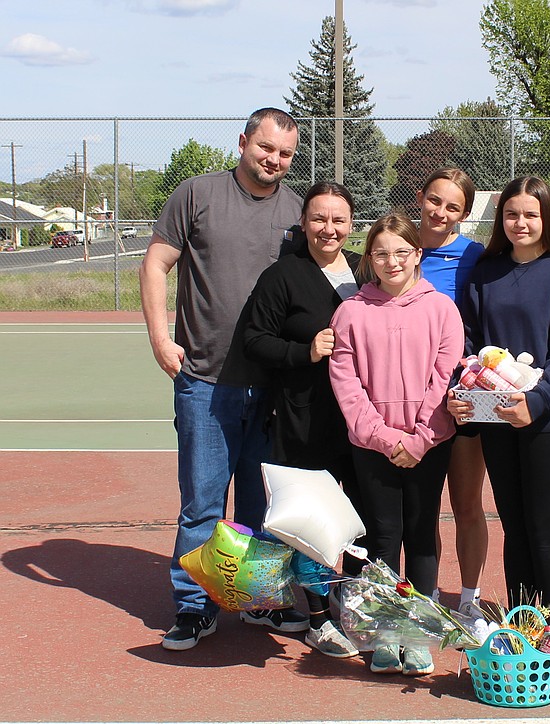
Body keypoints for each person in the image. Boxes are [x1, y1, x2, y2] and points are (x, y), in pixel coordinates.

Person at [139, 107, 309, 651]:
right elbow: (155, 263)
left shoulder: (298, 211)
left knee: (262, 506)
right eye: (265, 148)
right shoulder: (197, 194)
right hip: (206, 382)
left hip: (272, 387)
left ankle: (258, 598)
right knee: (203, 504)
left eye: (285, 153)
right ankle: (194, 607)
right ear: (243, 141)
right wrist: (161, 339)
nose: (274, 160)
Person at [447, 176, 550, 631]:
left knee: (543, 529)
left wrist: (538, 400)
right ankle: (521, 622)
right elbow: (469, 338)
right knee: (513, 525)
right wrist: (465, 387)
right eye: (512, 214)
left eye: (531, 214)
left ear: (548, 218)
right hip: (497, 418)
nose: (521, 223)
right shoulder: (487, 270)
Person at [329, 213, 464, 676]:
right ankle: (386, 634)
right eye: (382, 253)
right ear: (370, 259)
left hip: (429, 445)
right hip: (373, 449)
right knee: (383, 537)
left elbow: (445, 379)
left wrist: (421, 438)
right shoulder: (351, 311)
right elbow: (347, 385)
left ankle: (419, 636)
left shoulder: (442, 309)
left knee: (422, 535)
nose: (392, 261)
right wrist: (387, 440)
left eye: (402, 252)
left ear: (417, 255)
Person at [241, 181, 362, 659]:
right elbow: (254, 340)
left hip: (359, 420)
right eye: (318, 218)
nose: (328, 229)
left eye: (338, 220)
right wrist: (302, 351)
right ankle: (316, 617)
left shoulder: (364, 270)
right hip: (302, 419)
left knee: (356, 520)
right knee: (311, 522)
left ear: (351, 224)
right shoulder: (282, 276)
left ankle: (349, 605)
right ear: (303, 223)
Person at [415, 167, 487, 616]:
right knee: (421, 509)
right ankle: (427, 596)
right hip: (406, 403)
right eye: (435, 200)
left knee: (465, 503)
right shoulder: (396, 247)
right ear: (420, 196)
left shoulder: (475, 256)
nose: (440, 212)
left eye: (453, 207)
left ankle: (470, 599)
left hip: (460, 400)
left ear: (463, 214)